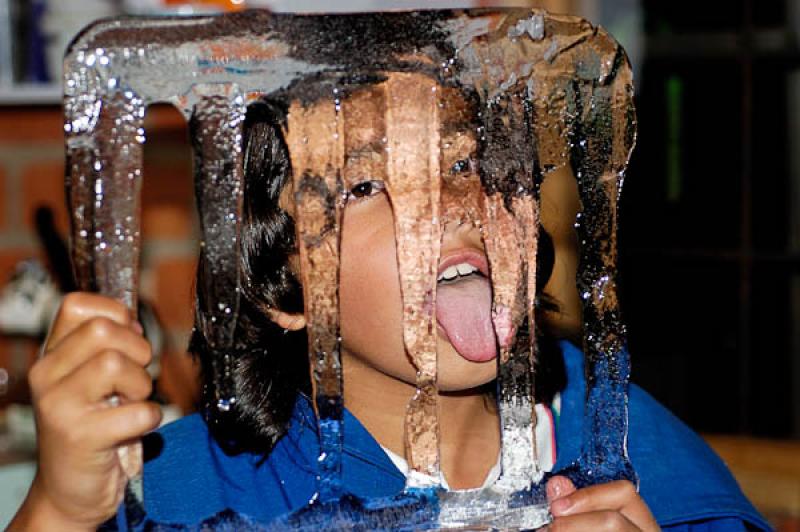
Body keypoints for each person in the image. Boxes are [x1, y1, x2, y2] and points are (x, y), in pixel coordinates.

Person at [9, 77, 767, 532]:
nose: (454, 202)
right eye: (368, 185)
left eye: (468, 161)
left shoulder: (620, 439)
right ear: (285, 286)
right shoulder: (197, 488)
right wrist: (59, 511)